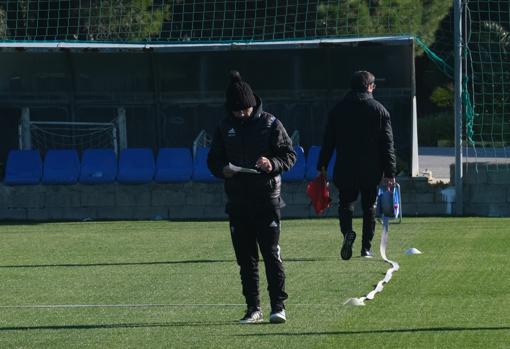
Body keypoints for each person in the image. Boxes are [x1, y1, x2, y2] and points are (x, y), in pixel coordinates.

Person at [207, 70, 296, 324]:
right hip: (237, 202)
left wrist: (272, 163)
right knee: (246, 260)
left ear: (253, 104)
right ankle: (252, 308)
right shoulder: (224, 127)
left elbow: (290, 155)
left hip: (267, 200)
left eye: (245, 109)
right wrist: (222, 169)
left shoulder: (270, 123)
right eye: (237, 111)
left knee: (271, 254)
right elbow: (213, 160)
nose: (242, 114)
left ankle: (278, 306)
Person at [317, 70, 396, 260]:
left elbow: (328, 141)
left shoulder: (337, 110)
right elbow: (387, 144)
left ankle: (347, 233)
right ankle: (366, 248)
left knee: (345, 204)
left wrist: (322, 165)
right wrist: (390, 172)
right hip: (371, 168)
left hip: (345, 167)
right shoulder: (379, 110)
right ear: (369, 87)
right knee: (369, 207)